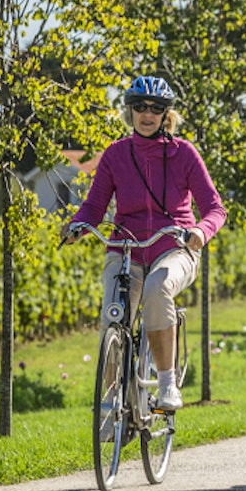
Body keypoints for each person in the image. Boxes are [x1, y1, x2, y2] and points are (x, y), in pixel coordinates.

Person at [64, 76, 226, 411]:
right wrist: (79, 224)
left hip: (174, 246)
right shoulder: (115, 155)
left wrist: (200, 232)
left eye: (155, 108)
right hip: (126, 249)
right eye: (139, 107)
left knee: (157, 287)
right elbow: (95, 205)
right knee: (113, 318)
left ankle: (167, 383)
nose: (147, 114)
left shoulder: (185, 154)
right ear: (130, 112)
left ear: (167, 114)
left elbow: (214, 208)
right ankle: (112, 404)